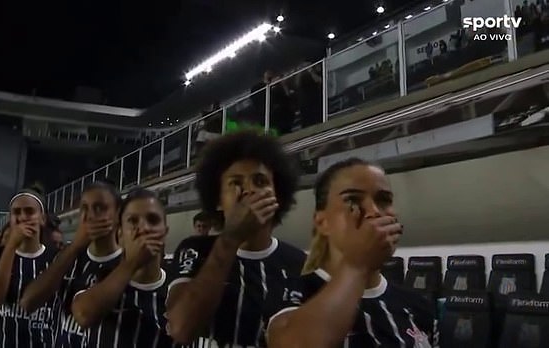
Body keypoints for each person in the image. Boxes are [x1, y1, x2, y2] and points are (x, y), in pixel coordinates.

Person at [267, 158, 438, 348]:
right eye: (352, 200)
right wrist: (357, 264)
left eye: (383, 200)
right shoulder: (291, 291)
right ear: (322, 222)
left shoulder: (418, 306)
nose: (373, 212)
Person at [165, 131, 307, 347]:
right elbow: (181, 328)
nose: (249, 190)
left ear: (277, 196)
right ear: (218, 200)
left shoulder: (299, 264)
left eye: (260, 181)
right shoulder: (196, 249)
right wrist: (231, 238)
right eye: (236, 183)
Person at [20, 180, 123, 348]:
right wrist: (75, 246)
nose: (89, 215)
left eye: (99, 208)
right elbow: (28, 302)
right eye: (84, 208)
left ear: (118, 213)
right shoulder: (68, 257)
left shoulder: (127, 265)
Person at [72, 187, 172, 347]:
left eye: (153, 220)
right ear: (120, 235)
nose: (144, 228)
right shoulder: (101, 275)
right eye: (133, 221)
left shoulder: (176, 288)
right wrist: (135, 262)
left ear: (165, 232)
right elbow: (83, 315)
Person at [0, 188, 58, 348]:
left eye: (29, 211)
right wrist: (12, 246)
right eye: (16, 212)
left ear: (42, 219)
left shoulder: (56, 258)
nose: (22, 217)